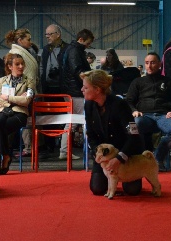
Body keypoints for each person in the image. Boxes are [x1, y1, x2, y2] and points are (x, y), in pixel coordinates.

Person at [82, 70, 144, 196]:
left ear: (97, 89)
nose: (82, 89)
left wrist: (119, 158)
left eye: (85, 87)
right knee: (97, 189)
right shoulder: (88, 106)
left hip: (125, 154)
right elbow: (91, 135)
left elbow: (134, 135)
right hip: (103, 156)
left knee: (132, 190)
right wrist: (97, 155)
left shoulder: (120, 105)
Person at [125, 52, 171, 172]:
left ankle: (157, 159)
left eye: (152, 63)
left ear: (160, 64)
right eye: (147, 63)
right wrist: (134, 111)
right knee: (133, 126)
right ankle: (139, 159)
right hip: (144, 116)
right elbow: (128, 101)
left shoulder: (169, 82)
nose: (149, 66)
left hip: (164, 116)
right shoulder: (137, 82)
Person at [0, 54, 36, 175]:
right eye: (17, 64)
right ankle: (4, 157)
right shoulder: (2, 80)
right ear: (10, 66)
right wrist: (15, 100)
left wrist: (8, 98)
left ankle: (0, 160)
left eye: (22, 64)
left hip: (20, 113)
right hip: (3, 111)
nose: (21, 66)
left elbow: (27, 100)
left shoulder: (29, 81)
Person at [58, 28, 95, 160]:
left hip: (70, 90)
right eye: (88, 43)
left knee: (71, 121)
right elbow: (78, 70)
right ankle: (64, 151)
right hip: (75, 91)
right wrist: (89, 82)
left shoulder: (70, 49)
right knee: (73, 121)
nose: (88, 46)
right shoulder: (75, 51)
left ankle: (64, 150)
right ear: (81, 40)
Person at [6, 28, 38, 158]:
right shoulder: (15, 53)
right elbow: (12, 74)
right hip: (19, 92)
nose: (30, 42)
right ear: (20, 40)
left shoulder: (22, 52)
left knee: (26, 120)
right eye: (28, 39)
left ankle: (27, 147)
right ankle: (6, 149)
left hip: (26, 90)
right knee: (16, 121)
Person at [41, 24, 68, 95]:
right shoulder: (46, 49)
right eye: (46, 34)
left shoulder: (67, 49)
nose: (47, 36)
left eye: (50, 34)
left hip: (63, 88)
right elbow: (42, 67)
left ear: (58, 34)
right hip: (47, 88)